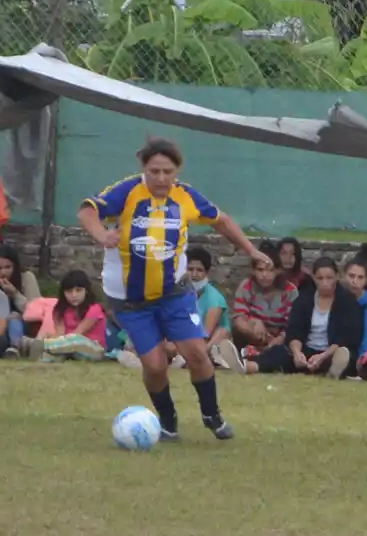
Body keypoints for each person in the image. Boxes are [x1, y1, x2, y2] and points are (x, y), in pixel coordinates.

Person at [78, 137, 270, 441]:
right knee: (154, 365)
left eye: (168, 171)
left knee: (196, 352)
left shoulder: (186, 196)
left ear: (177, 170)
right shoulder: (126, 192)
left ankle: (212, 415)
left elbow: (221, 221)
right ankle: (167, 422)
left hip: (174, 293)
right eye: (154, 171)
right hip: (131, 301)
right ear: (144, 169)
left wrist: (251, 250)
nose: (161, 178)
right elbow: (87, 211)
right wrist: (102, 234)